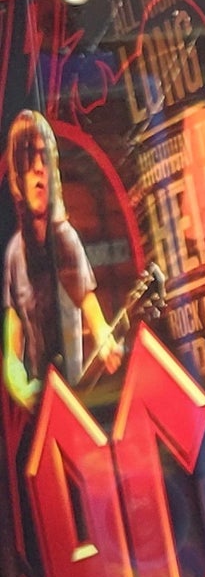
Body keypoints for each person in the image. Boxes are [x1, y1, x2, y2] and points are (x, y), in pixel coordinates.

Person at [2, 112, 114, 413]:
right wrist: (21, 387)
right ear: (18, 174)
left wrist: (107, 344)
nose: (39, 169)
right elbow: (11, 353)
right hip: (42, 411)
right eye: (30, 159)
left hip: (75, 402)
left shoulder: (66, 241)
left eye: (44, 158)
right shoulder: (14, 255)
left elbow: (97, 322)